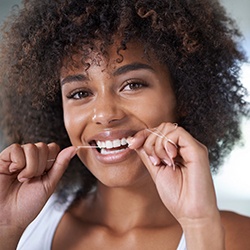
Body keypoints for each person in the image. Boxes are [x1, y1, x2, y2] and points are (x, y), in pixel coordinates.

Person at [0, 0, 249, 249]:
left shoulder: (237, 237)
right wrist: (6, 229)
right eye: (79, 93)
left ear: (183, 96)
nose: (105, 114)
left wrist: (199, 226)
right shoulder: (26, 224)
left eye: (132, 84)